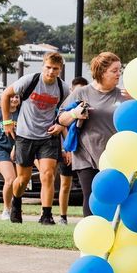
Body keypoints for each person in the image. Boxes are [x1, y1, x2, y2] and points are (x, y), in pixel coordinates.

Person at [0, 51, 66, 224]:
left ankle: (46, 215)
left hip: (48, 135)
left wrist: (60, 124)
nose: (51, 72)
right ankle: (16, 203)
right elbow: (5, 95)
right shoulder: (29, 81)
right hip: (25, 135)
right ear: (43, 66)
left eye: (55, 69)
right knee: (22, 179)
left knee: (48, 174)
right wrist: (7, 121)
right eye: (48, 67)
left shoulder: (63, 88)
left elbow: (68, 111)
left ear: (60, 69)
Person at [58, 53, 124, 218]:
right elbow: (61, 119)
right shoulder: (82, 93)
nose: (119, 74)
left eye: (119, 70)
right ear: (102, 72)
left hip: (114, 157)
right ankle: (91, 239)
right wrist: (74, 113)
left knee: (112, 197)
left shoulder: (123, 95)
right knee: (91, 197)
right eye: (114, 70)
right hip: (86, 155)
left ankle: (111, 236)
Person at [57, 76, 88, 225]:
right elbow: (62, 126)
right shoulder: (67, 107)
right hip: (69, 149)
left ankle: (89, 217)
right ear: (72, 90)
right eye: (76, 91)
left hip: (85, 151)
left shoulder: (89, 105)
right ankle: (63, 216)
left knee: (87, 188)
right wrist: (66, 149)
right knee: (65, 184)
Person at [0, 93, 18, 220]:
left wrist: (15, 148)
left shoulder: (22, 113)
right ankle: (6, 210)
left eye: (17, 97)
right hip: (0, 149)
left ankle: (16, 208)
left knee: (19, 181)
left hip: (19, 150)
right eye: (12, 97)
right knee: (10, 179)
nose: (14, 99)